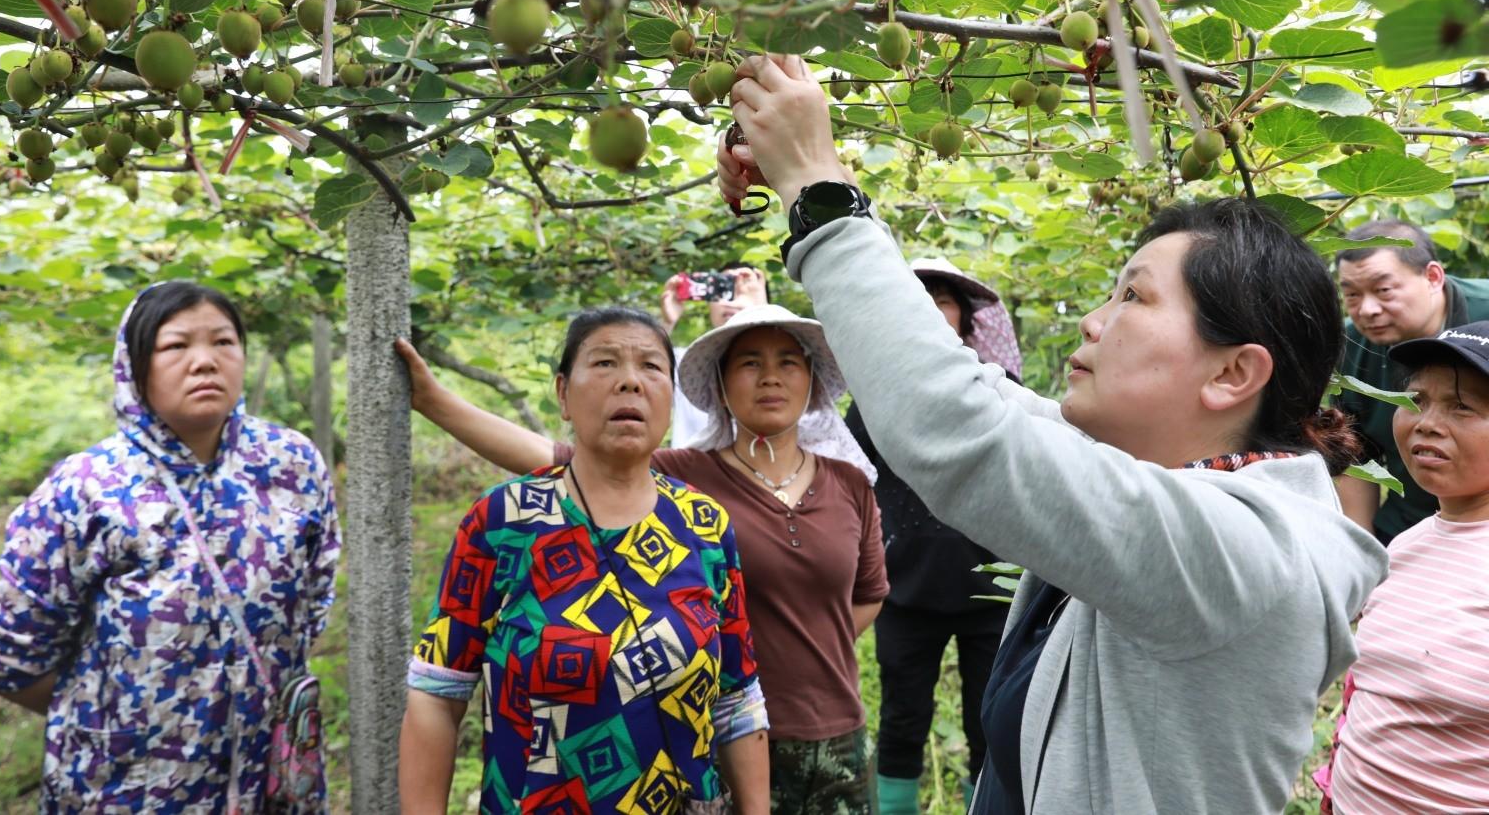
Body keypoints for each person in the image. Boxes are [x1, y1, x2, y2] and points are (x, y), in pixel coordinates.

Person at [715, 53, 1389, 815]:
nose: (1092, 319)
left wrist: (820, 186)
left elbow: (957, 426)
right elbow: (987, 404)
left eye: (1132, 295)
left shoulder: (1244, 553)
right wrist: (799, 177)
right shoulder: (1171, 488)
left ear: (1233, 374)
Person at [396, 301, 888, 813]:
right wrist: (434, 402)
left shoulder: (705, 524)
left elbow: (737, 701)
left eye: (651, 367)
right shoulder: (503, 523)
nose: (629, 381)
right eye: (605, 363)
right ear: (563, 393)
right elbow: (437, 689)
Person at [0, 282, 340, 814]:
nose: (204, 362)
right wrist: (108, 718)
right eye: (176, 346)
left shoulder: (291, 466)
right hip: (127, 790)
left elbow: (312, 602)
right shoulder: (86, 487)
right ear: (134, 364)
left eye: (223, 342)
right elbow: (9, 658)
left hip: (269, 779)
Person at [846, 258, 1021, 815]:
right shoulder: (876, 395)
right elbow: (850, 477)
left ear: (964, 319)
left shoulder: (998, 391)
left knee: (989, 720)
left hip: (991, 589)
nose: (929, 309)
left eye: (942, 300)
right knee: (902, 716)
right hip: (906, 590)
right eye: (917, 298)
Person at [1316, 321, 1489, 813]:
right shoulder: (1401, 549)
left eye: (1463, 406)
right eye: (1416, 400)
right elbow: (1370, 702)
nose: (1426, 422)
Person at [1334, 219, 1489, 542]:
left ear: (1432, 277)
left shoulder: (1483, 312)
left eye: (1383, 290)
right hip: (1408, 526)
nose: (1368, 310)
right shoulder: (1351, 348)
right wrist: (1363, 551)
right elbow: (1356, 455)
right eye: (1351, 295)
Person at [661, 263, 770, 447]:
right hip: (691, 473)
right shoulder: (686, 364)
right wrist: (666, 323)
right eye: (722, 289)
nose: (730, 301)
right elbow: (641, 377)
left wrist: (762, 310)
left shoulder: (791, 366)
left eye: (743, 292)